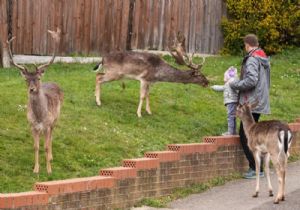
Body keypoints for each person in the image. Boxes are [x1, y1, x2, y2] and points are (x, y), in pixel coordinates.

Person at [230, 34, 271, 179]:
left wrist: (234, 84)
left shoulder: (252, 59)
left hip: (251, 102)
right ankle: (263, 167)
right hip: (259, 100)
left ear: (247, 44)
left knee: (245, 135)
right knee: (257, 136)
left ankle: (256, 168)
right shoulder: (262, 56)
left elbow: (251, 80)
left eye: (244, 45)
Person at [211, 66, 239, 136]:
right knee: (233, 116)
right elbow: (222, 88)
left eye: (225, 76)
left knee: (230, 116)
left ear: (227, 76)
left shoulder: (230, 83)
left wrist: (213, 87)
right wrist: (214, 87)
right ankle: (234, 131)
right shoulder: (230, 83)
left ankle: (230, 132)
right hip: (233, 101)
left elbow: (222, 88)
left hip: (231, 101)